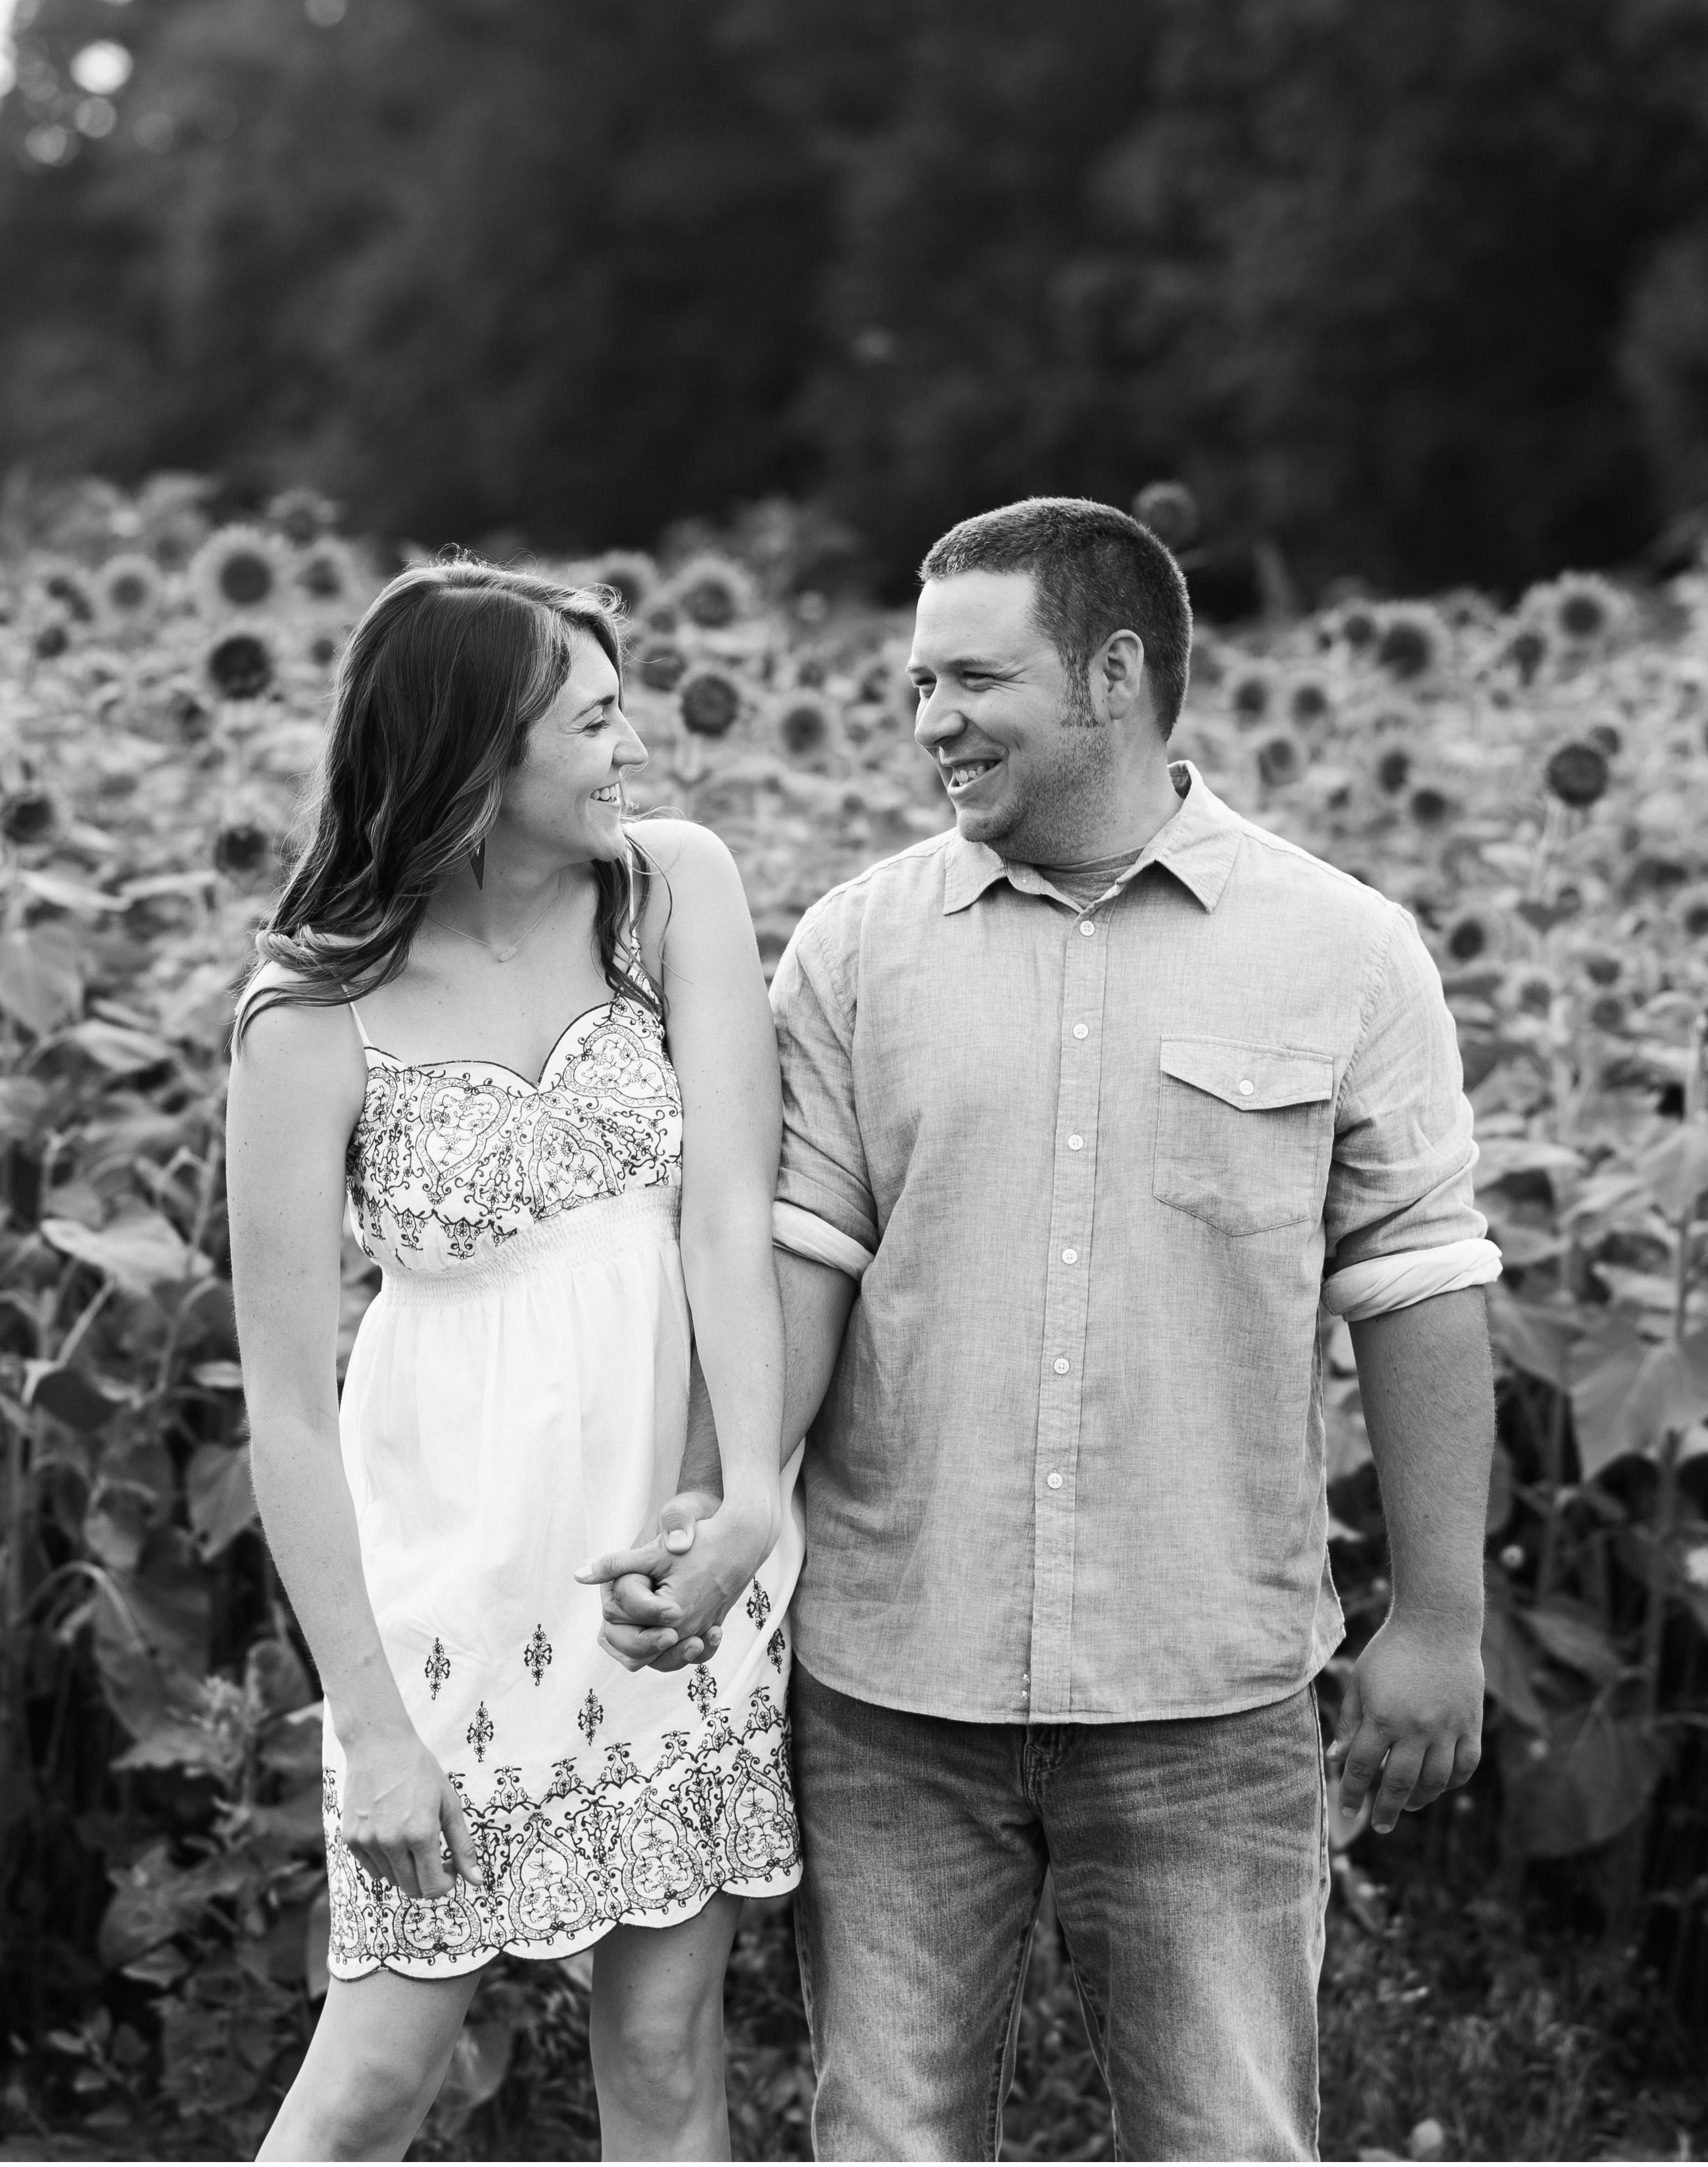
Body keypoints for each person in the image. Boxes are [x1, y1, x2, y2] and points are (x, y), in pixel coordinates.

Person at [585, 498, 1503, 2159]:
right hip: (898, 1688)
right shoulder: (860, 949)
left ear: (1115, 674)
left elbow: (1421, 1286)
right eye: (918, 684)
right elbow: (802, 1267)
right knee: (891, 2139)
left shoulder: (1346, 955)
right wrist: (730, 1501)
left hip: (1205, 1691)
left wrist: (1440, 1617)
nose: (931, 720)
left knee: (1228, 2142)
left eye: (974, 680)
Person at [226, 560, 801, 2162]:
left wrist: (745, 1499)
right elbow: (284, 1405)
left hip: (674, 1566)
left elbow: (729, 1221)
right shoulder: (309, 1016)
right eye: (597, 722)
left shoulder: (672, 888)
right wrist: (370, 1727)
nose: (636, 751)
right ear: (478, 752)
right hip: (453, 1596)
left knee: (668, 2052)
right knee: (373, 2085)